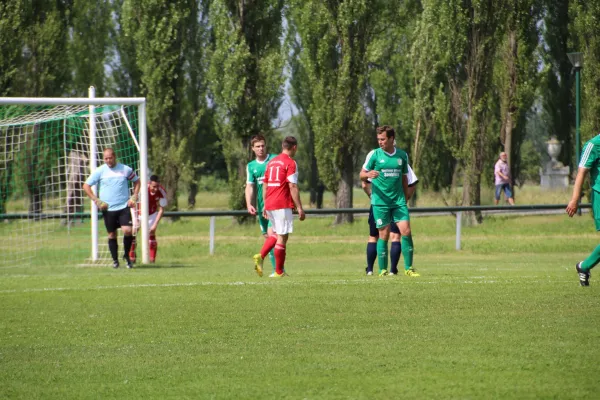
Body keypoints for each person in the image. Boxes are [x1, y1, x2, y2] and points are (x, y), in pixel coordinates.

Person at [360, 125, 418, 277]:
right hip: (380, 202)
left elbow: (405, 178)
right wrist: (367, 175)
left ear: (391, 139)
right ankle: (383, 270)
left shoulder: (402, 156)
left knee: (406, 231)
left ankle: (409, 269)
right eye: (378, 139)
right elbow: (361, 174)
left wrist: (405, 198)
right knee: (383, 235)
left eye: (383, 139)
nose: (380, 142)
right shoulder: (375, 155)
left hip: (398, 202)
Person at [253, 136, 306, 278]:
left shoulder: (271, 162)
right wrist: (299, 207)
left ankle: (261, 255)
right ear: (294, 147)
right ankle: (278, 271)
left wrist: (264, 204)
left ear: (283, 146)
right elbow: (293, 186)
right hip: (282, 203)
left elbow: (265, 184)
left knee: (276, 234)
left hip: (270, 203)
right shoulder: (290, 162)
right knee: (283, 237)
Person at [83, 148, 140, 269]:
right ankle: (115, 261)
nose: (108, 160)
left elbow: (137, 181)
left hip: (123, 206)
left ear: (115, 157)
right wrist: (96, 200)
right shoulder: (100, 171)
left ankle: (127, 257)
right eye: (106, 158)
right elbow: (86, 185)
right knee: (111, 234)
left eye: (110, 158)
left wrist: (134, 196)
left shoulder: (125, 169)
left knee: (128, 231)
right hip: (108, 209)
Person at [363, 164, 419, 276]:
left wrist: (371, 196)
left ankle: (370, 270)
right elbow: (412, 183)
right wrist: (405, 197)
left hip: (380, 204)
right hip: (395, 204)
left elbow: (365, 184)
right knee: (395, 236)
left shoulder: (376, 159)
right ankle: (393, 270)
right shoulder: (400, 160)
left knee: (374, 236)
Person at [566, 134, 600, 286]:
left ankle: (584, 267)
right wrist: (575, 199)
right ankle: (584, 266)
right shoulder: (593, 145)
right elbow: (581, 172)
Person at [245, 134, 278, 276]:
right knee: (268, 238)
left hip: (275, 206)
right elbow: (250, 186)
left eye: (263, 145)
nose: (261, 148)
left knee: (273, 235)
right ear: (252, 148)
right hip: (261, 208)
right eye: (257, 146)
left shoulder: (275, 160)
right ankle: (274, 268)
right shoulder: (251, 166)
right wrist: (249, 203)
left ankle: (277, 270)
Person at [129, 175, 167, 263]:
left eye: (157, 186)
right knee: (134, 231)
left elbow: (161, 209)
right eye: (154, 187)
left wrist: (155, 224)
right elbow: (133, 203)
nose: (156, 189)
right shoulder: (142, 190)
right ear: (149, 184)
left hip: (151, 214)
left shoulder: (162, 191)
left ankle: (152, 259)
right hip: (137, 211)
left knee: (151, 232)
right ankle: (131, 256)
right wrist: (136, 219)